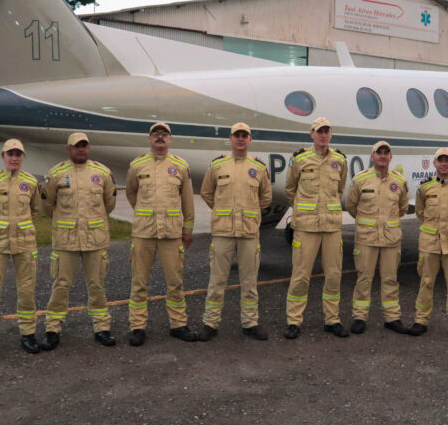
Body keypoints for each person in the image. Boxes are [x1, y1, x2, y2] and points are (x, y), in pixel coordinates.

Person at [197, 122, 273, 341]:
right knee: (216, 281)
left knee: (249, 281)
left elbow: (266, 197)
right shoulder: (218, 166)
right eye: (237, 135)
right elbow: (206, 192)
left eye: (244, 136)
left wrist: (249, 211)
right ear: (230, 139)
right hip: (223, 232)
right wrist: (222, 211)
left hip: (249, 232)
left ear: (250, 140)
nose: (240, 139)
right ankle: (210, 323)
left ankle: (250, 322)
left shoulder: (258, 168)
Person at [41, 132, 118, 349]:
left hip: (95, 239)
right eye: (77, 146)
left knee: (97, 285)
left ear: (89, 148)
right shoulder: (55, 174)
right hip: (66, 240)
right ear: (69, 149)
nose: (81, 149)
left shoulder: (102, 173)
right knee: (61, 285)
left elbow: (109, 203)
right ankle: (53, 329)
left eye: (84, 146)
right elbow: (48, 205)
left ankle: (102, 328)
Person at [124, 122, 198, 345]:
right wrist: (145, 215)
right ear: (149, 139)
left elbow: (187, 200)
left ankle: (178, 324)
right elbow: (131, 194)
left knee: (175, 282)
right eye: (155, 134)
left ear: (170, 139)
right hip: (144, 233)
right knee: (139, 283)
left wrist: (188, 228)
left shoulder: (181, 166)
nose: (160, 137)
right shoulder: (137, 165)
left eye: (164, 134)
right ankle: (137, 327)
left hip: (172, 234)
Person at [0, 139, 41, 361]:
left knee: (26, 291)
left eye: (18, 154)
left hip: (24, 243)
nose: (14, 158)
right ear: (3, 156)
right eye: (10, 154)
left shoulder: (30, 182)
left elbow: (36, 211)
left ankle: (28, 334)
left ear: (23, 157)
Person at [283, 117, 349, 339]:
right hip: (307, 227)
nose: (323, 135)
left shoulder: (339, 159)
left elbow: (339, 189)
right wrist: (304, 212)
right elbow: (290, 189)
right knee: (300, 276)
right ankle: (294, 321)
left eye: (326, 131)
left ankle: (332, 320)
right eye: (319, 131)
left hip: (331, 227)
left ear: (331, 134)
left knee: (333, 275)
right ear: (311, 134)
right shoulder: (300, 159)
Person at [345, 140, 410, 335]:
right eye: (379, 152)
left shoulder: (399, 182)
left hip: (391, 239)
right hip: (366, 238)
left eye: (386, 152)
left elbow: (403, 208)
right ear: (372, 157)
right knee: (364, 279)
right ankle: (360, 317)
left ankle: (392, 318)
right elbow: (351, 206)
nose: (382, 155)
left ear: (390, 157)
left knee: (390, 279)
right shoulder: (360, 180)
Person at [409, 147, 448, 341]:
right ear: (435, 163)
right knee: (426, 282)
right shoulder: (425, 187)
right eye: (440, 160)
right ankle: (421, 320)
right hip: (430, 243)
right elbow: (420, 212)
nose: (444, 164)